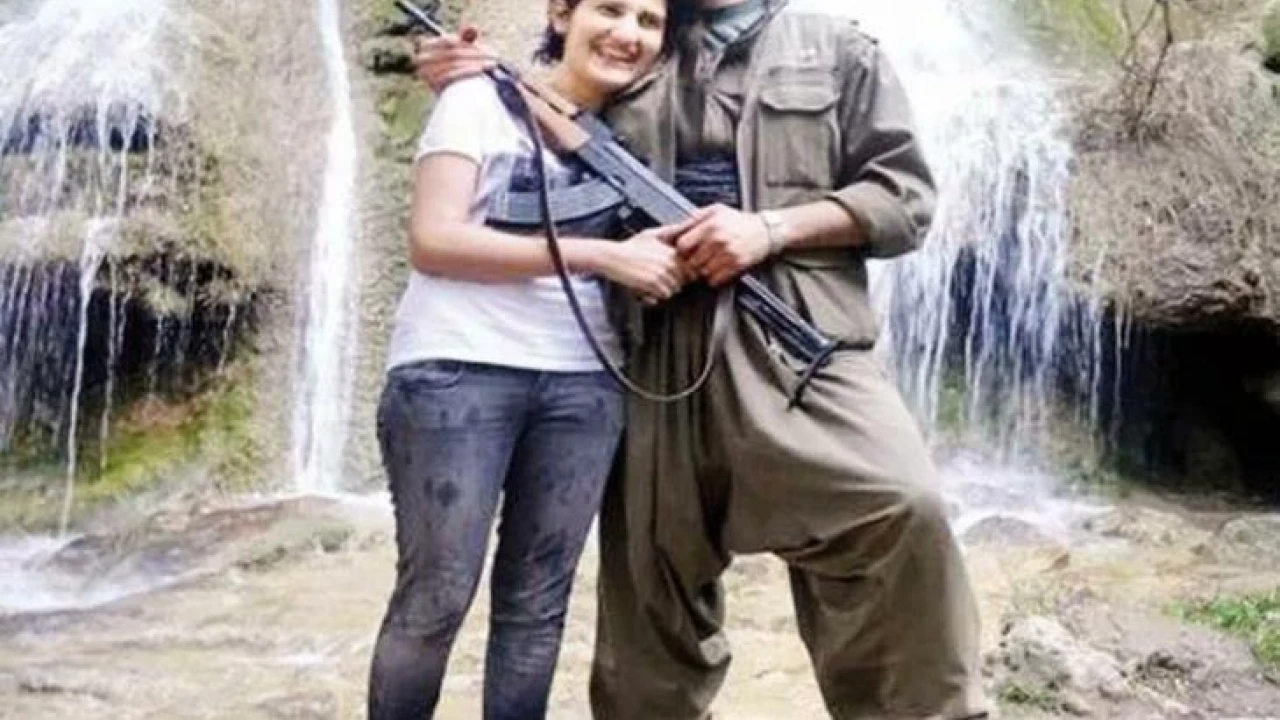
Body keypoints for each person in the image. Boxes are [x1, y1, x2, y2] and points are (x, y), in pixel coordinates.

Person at [415, 0, 990, 717]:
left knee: (903, 508)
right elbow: (549, 106)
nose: (626, 27)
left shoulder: (840, 49)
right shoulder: (642, 35)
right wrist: (471, 77)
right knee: (647, 612)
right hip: (647, 350)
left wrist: (770, 229)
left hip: (799, 343)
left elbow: (904, 199)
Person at [367, 1, 692, 718]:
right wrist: (600, 255)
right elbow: (433, 241)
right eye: (610, 9)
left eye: (649, 21)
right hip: (456, 371)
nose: (627, 34)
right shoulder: (478, 98)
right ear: (561, 14)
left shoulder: (643, 129)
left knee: (538, 608)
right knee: (436, 597)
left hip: (586, 383)